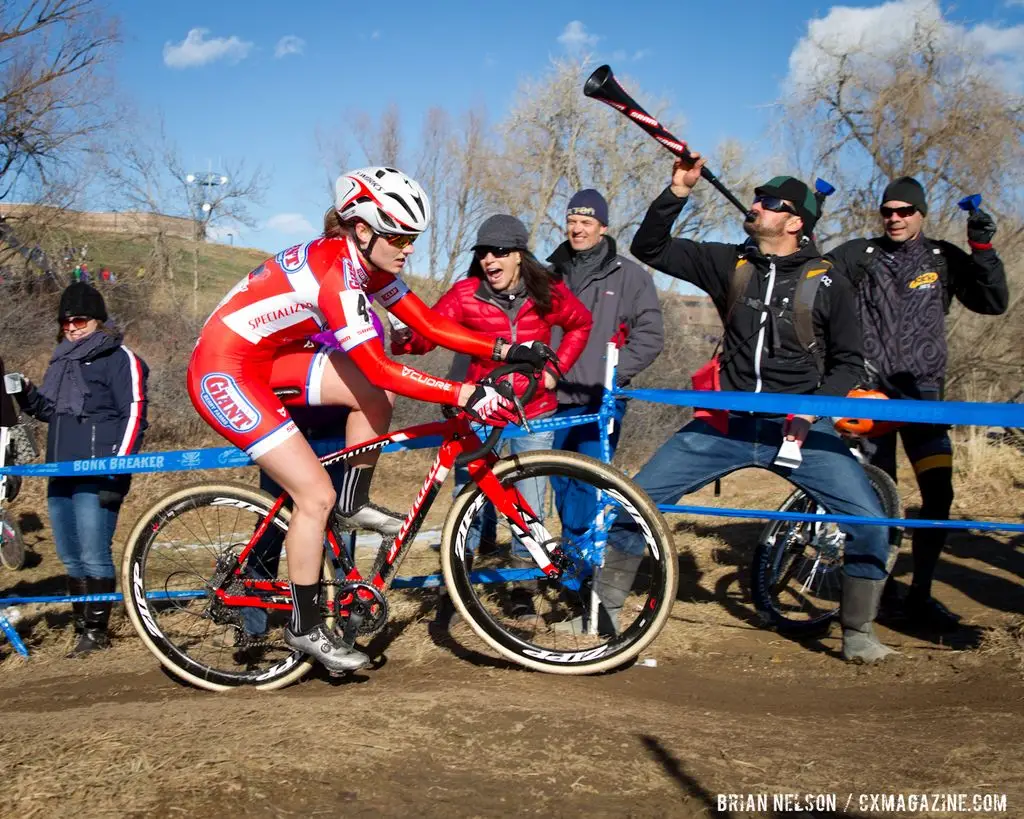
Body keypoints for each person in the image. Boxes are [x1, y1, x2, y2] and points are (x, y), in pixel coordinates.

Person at [187, 166, 555, 674]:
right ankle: (306, 624)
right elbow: (382, 362)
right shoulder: (337, 276)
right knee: (313, 494)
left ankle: (352, 500)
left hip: (269, 358)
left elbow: (426, 323)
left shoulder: (368, 265)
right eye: (400, 237)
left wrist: (508, 347)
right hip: (224, 370)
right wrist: (463, 392)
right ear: (363, 229)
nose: (408, 249)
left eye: (413, 238)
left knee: (374, 399)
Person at [596, 156, 894, 663]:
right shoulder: (729, 263)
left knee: (870, 521)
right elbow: (650, 247)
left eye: (769, 202)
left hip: (799, 429)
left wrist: (809, 412)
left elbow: (849, 362)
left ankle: (859, 634)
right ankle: (600, 616)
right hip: (724, 426)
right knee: (636, 502)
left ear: (795, 221)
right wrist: (678, 191)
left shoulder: (830, 281)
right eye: (756, 197)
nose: (755, 204)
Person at [392, 214, 592, 625]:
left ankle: (523, 591)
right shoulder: (465, 294)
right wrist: (398, 337)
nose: (489, 259)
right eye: (483, 252)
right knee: (468, 503)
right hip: (480, 413)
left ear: (520, 255)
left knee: (528, 508)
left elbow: (580, 324)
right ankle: (457, 586)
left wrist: (556, 370)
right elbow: (427, 333)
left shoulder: (547, 290)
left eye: (499, 251)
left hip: (533, 414)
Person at [827, 177, 1008, 630]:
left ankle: (920, 594)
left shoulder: (942, 258)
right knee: (878, 501)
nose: (895, 217)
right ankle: (875, 597)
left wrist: (983, 250)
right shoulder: (859, 254)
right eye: (888, 210)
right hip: (871, 402)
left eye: (905, 210)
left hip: (926, 400)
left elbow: (993, 301)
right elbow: (816, 278)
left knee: (938, 494)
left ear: (921, 213)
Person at [14, 283, 149, 656]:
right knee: (70, 555)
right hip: (60, 471)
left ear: (98, 320)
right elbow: (49, 412)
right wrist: (25, 393)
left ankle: (97, 633)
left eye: (80, 320)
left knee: (93, 553)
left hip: (99, 470)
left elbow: (135, 413)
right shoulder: (62, 361)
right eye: (66, 322)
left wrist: (117, 467)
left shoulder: (120, 357)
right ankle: (81, 629)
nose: (72, 327)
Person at [546, 189, 664, 539]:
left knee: (589, 482)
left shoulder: (630, 275)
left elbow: (651, 335)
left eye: (586, 222)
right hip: (552, 399)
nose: (577, 229)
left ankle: (578, 571)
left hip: (601, 399)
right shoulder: (551, 274)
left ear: (603, 227)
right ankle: (573, 555)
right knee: (558, 481)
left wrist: (610, 374)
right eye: (571, 222)